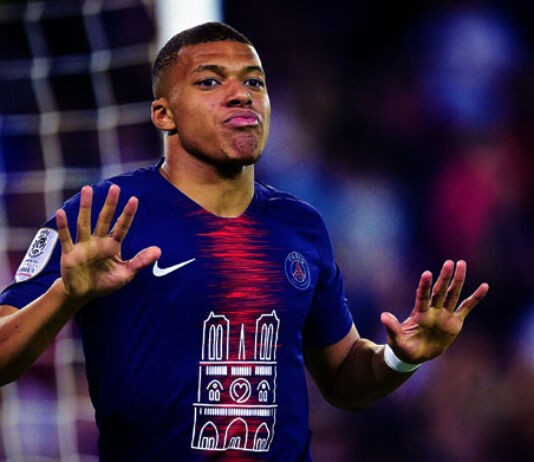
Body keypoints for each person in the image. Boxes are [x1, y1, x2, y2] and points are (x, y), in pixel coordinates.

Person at [0, 22, 489, 461]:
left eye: (254, 82)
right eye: (210, 82)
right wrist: (66, 294)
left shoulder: (300, 225)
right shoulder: (105, 215)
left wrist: (401, 357)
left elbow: (343, 379)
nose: (241, 95)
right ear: (164, 114)